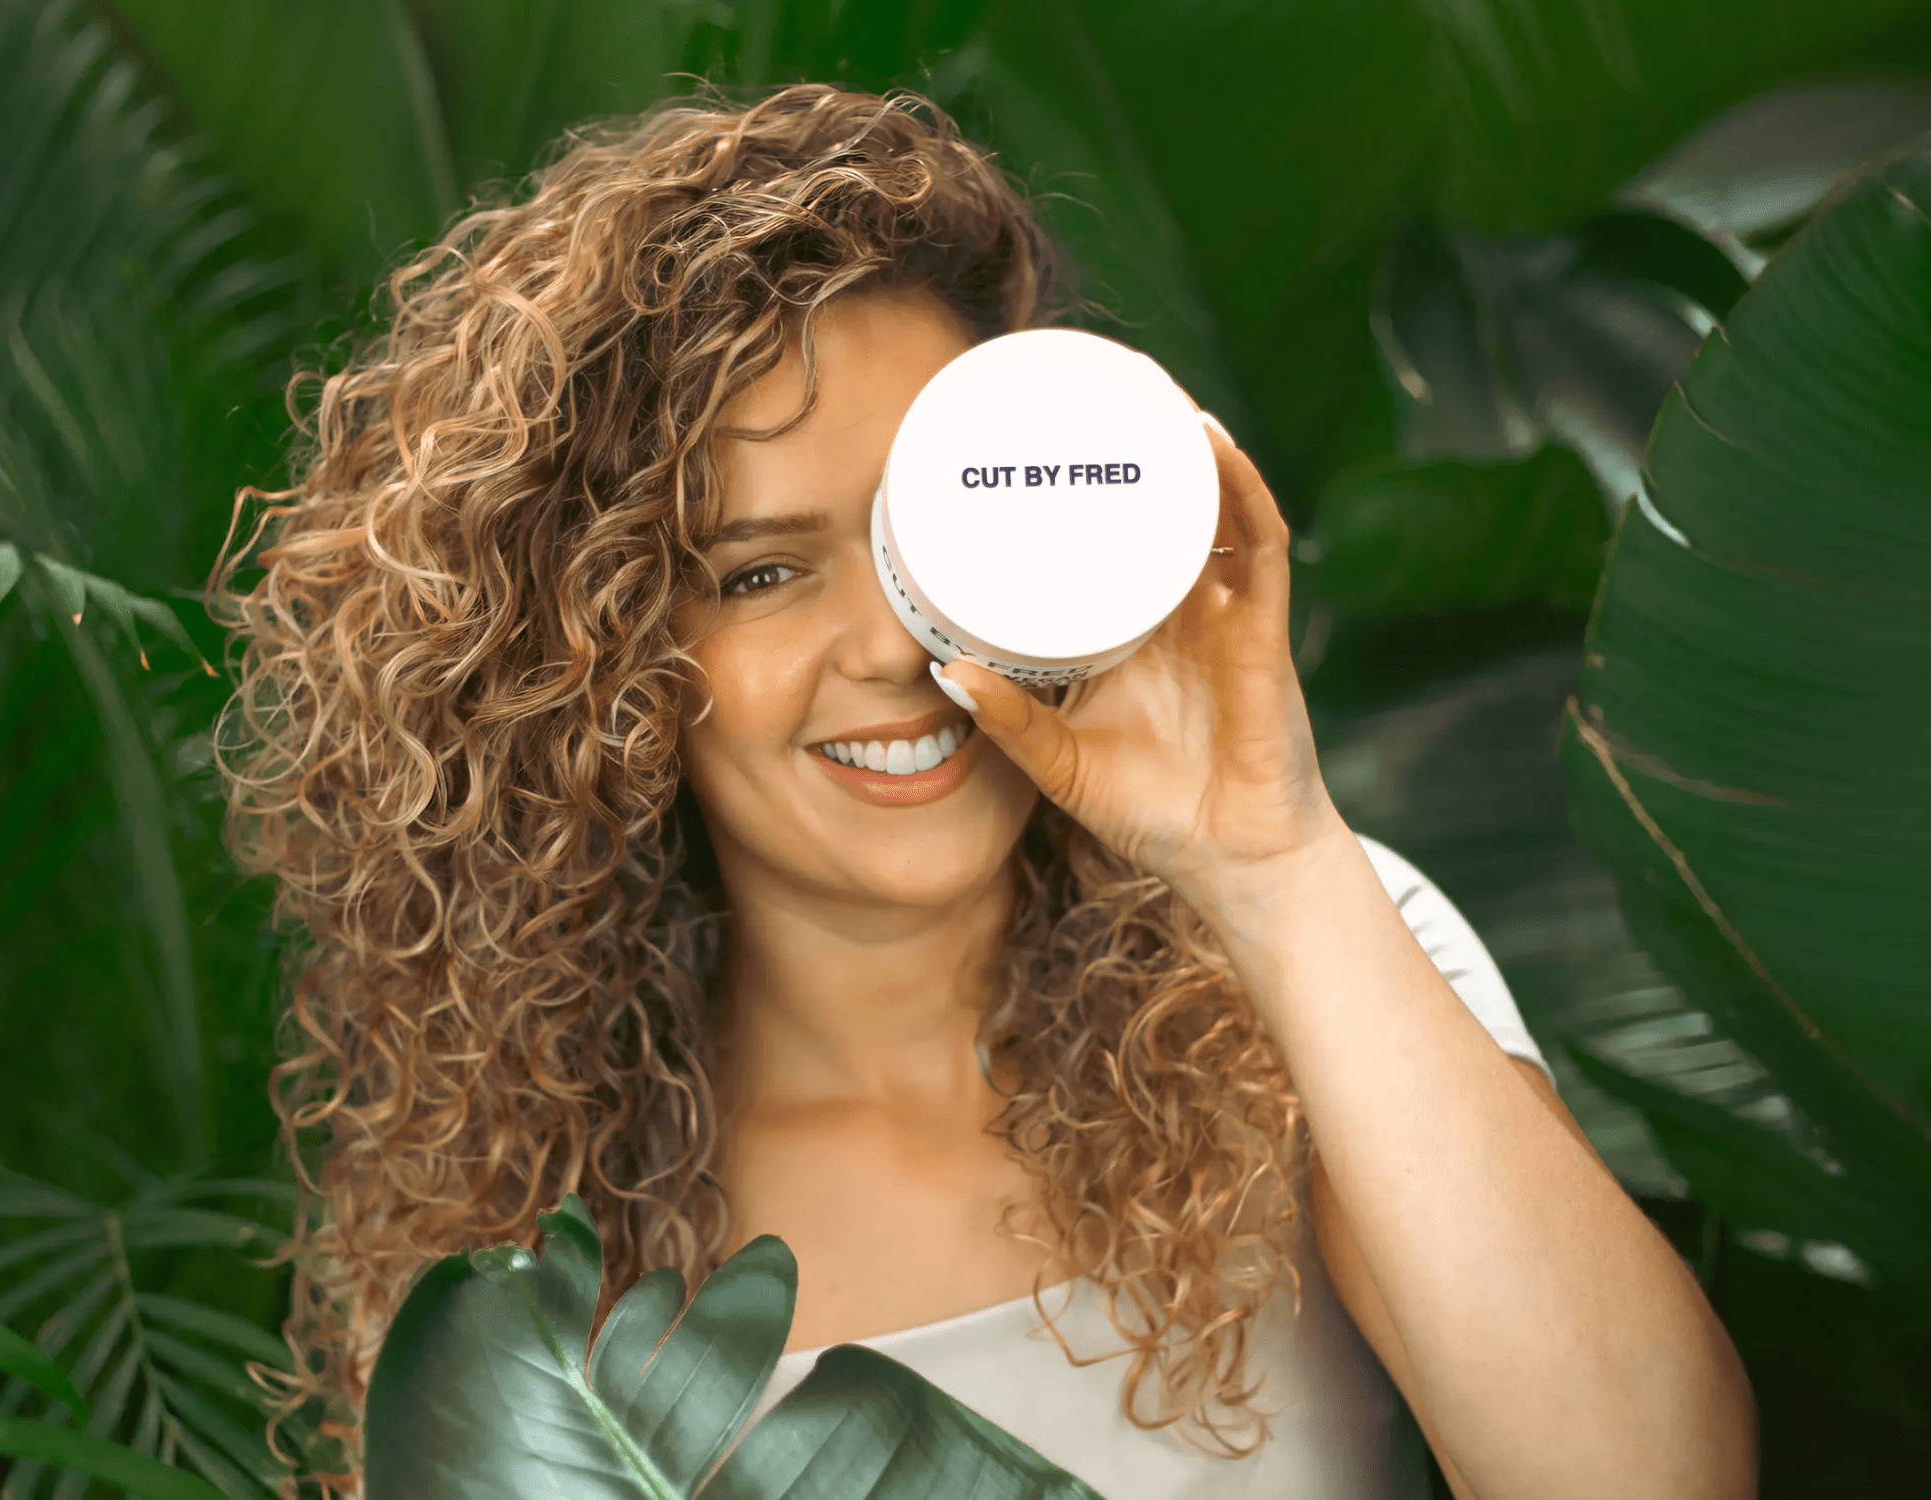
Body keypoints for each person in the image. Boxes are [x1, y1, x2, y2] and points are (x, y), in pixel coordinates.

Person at [207, 80, 1753, 1500]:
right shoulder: (538, 1221)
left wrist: (1271, 857)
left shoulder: (1311, 966)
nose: (895, 644)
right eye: (759, 572)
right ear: (603, 659)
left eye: (924, 536)